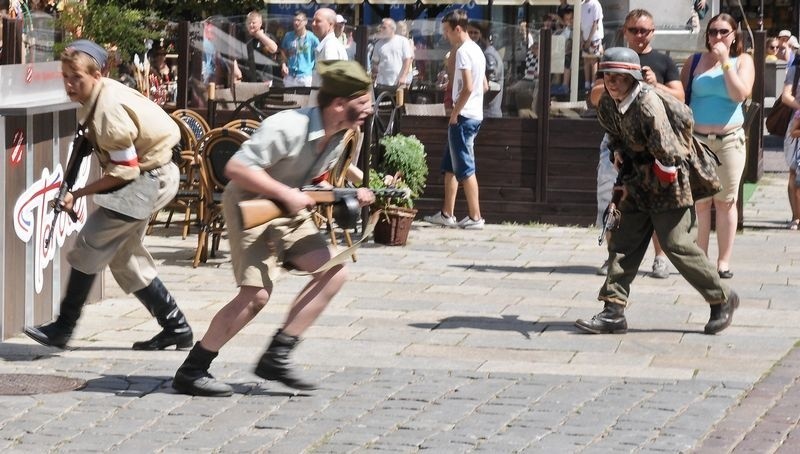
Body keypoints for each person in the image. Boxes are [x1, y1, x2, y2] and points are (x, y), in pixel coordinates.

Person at [171, 60, 375, 397]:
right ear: (339, 105)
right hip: (250, 204)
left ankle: (277, 355)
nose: (369, 109)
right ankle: (193, 370)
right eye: (363, 103)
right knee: (256, 297)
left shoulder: (342, 132)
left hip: (288, 207)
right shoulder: (288, 127)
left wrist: (350, 194)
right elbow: (235, 167)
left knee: (333, 273)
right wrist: (283, 193)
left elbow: (312, 181)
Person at [24, 40, 193, 351]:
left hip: (150, 176)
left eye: (77, 77)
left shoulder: (108, 111)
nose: (70, 84)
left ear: (97, 75)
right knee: (124, 256)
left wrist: (78, 194)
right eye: (66, 77)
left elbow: (124, 172)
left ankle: (63, 328)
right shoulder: (99, 96)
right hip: (150, 172)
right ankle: (176, 326)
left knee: (91, 242)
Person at [574, 47, 739, 336]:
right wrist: (618, 154)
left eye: (620, 77)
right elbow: (613, 135)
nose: (612, 82)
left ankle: (721, 297)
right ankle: (613, 310)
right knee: (623, 243)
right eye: (608, 76)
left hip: (668, 181)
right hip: (636, 180)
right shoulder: (608, 104)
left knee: (677, 245)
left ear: (633, 78)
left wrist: (651, 174)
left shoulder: (648, 103)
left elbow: (670, 153)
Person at [591, 9, 685, 279]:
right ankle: (613, 256)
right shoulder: (612, 58)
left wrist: (653, 84)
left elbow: (679, 97)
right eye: (634, 30)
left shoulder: (663, 61)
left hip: (651, 142)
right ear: (624, 31)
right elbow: (595, 96)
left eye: (645, 30)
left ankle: (659, 258)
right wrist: (618, 81)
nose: (640, 36)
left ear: (653, 31)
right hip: (617, 139)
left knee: (655, 201)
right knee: (611, 198)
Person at [680, 13, 754, 279]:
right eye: (713, 32)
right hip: (697, 142)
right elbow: (682, 98)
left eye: (724, 32)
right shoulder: (695, 61)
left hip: (729, 142)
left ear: (734, 35)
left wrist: (725, 62)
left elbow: (739, 94)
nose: (718, 37)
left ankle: (723, 261)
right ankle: (701, 259)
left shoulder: (742, 61)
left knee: (725, 202)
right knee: (700, 203)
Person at [423, 10, 487, 230]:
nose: (445, 36)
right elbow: (483, 86)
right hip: (473, 113)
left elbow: (468, 86)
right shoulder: (477, 51)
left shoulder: (463, 52)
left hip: (464, 116)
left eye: (447, 31)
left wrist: (455, 111)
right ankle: (447, 213)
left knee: (466, 168)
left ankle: (475, 217)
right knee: (451, 165)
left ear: (457, 29)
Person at [467, 20, 503, 118]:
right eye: (470, 33)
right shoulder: (489, 52)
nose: (473, 36)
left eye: (476, 33)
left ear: (481, 36)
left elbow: (491, 84)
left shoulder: (488, 54)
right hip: (489, 111)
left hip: (488, 112)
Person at [371, 18, 413, 97]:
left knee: (400, 107)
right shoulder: (378, 44)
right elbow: (375, 63)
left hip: (398, 83)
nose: (381, 29)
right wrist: (373, 76)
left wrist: (403, 77)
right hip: (382, 83)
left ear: (392, 29)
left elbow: (407, 60)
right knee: (383, 106)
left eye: (384, 27)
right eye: (381, 27)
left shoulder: (403, 41)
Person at [280, 11, 319, 88]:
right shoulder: (288, 36)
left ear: (305, 22)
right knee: (289, 99)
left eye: (299, 20)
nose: (296, 23)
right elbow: (283, 52)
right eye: (294, 20)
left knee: (305, 99)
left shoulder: (312, 37)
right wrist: (283, 65)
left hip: (305, 76)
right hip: (290, 75)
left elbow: (319, 54)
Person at [311, 7, 348, 86]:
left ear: (330, 24)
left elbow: (331, 79)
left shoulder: (330, 46)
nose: (313, 24)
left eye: (318, 21)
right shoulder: (329, 44)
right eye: (313, 20)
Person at [241, 10, 280, 84]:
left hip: (264, 79)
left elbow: (274, 49)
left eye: (253, 23)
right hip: (248, 79)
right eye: (249, 23)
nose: (251, 25)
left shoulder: (267, 36)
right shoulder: (244, 38)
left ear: (260, 23)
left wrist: (260, 35)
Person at [580, 0, 604, 93]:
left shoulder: (595, 3)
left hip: (594, 37)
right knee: (586, 60)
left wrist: (589, 39)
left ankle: (593, 84)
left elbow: (596, 22)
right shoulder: (581, 5)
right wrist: (582, 39)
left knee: (593, 60)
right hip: (585, 37)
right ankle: (587, 83)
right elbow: (580, 23)